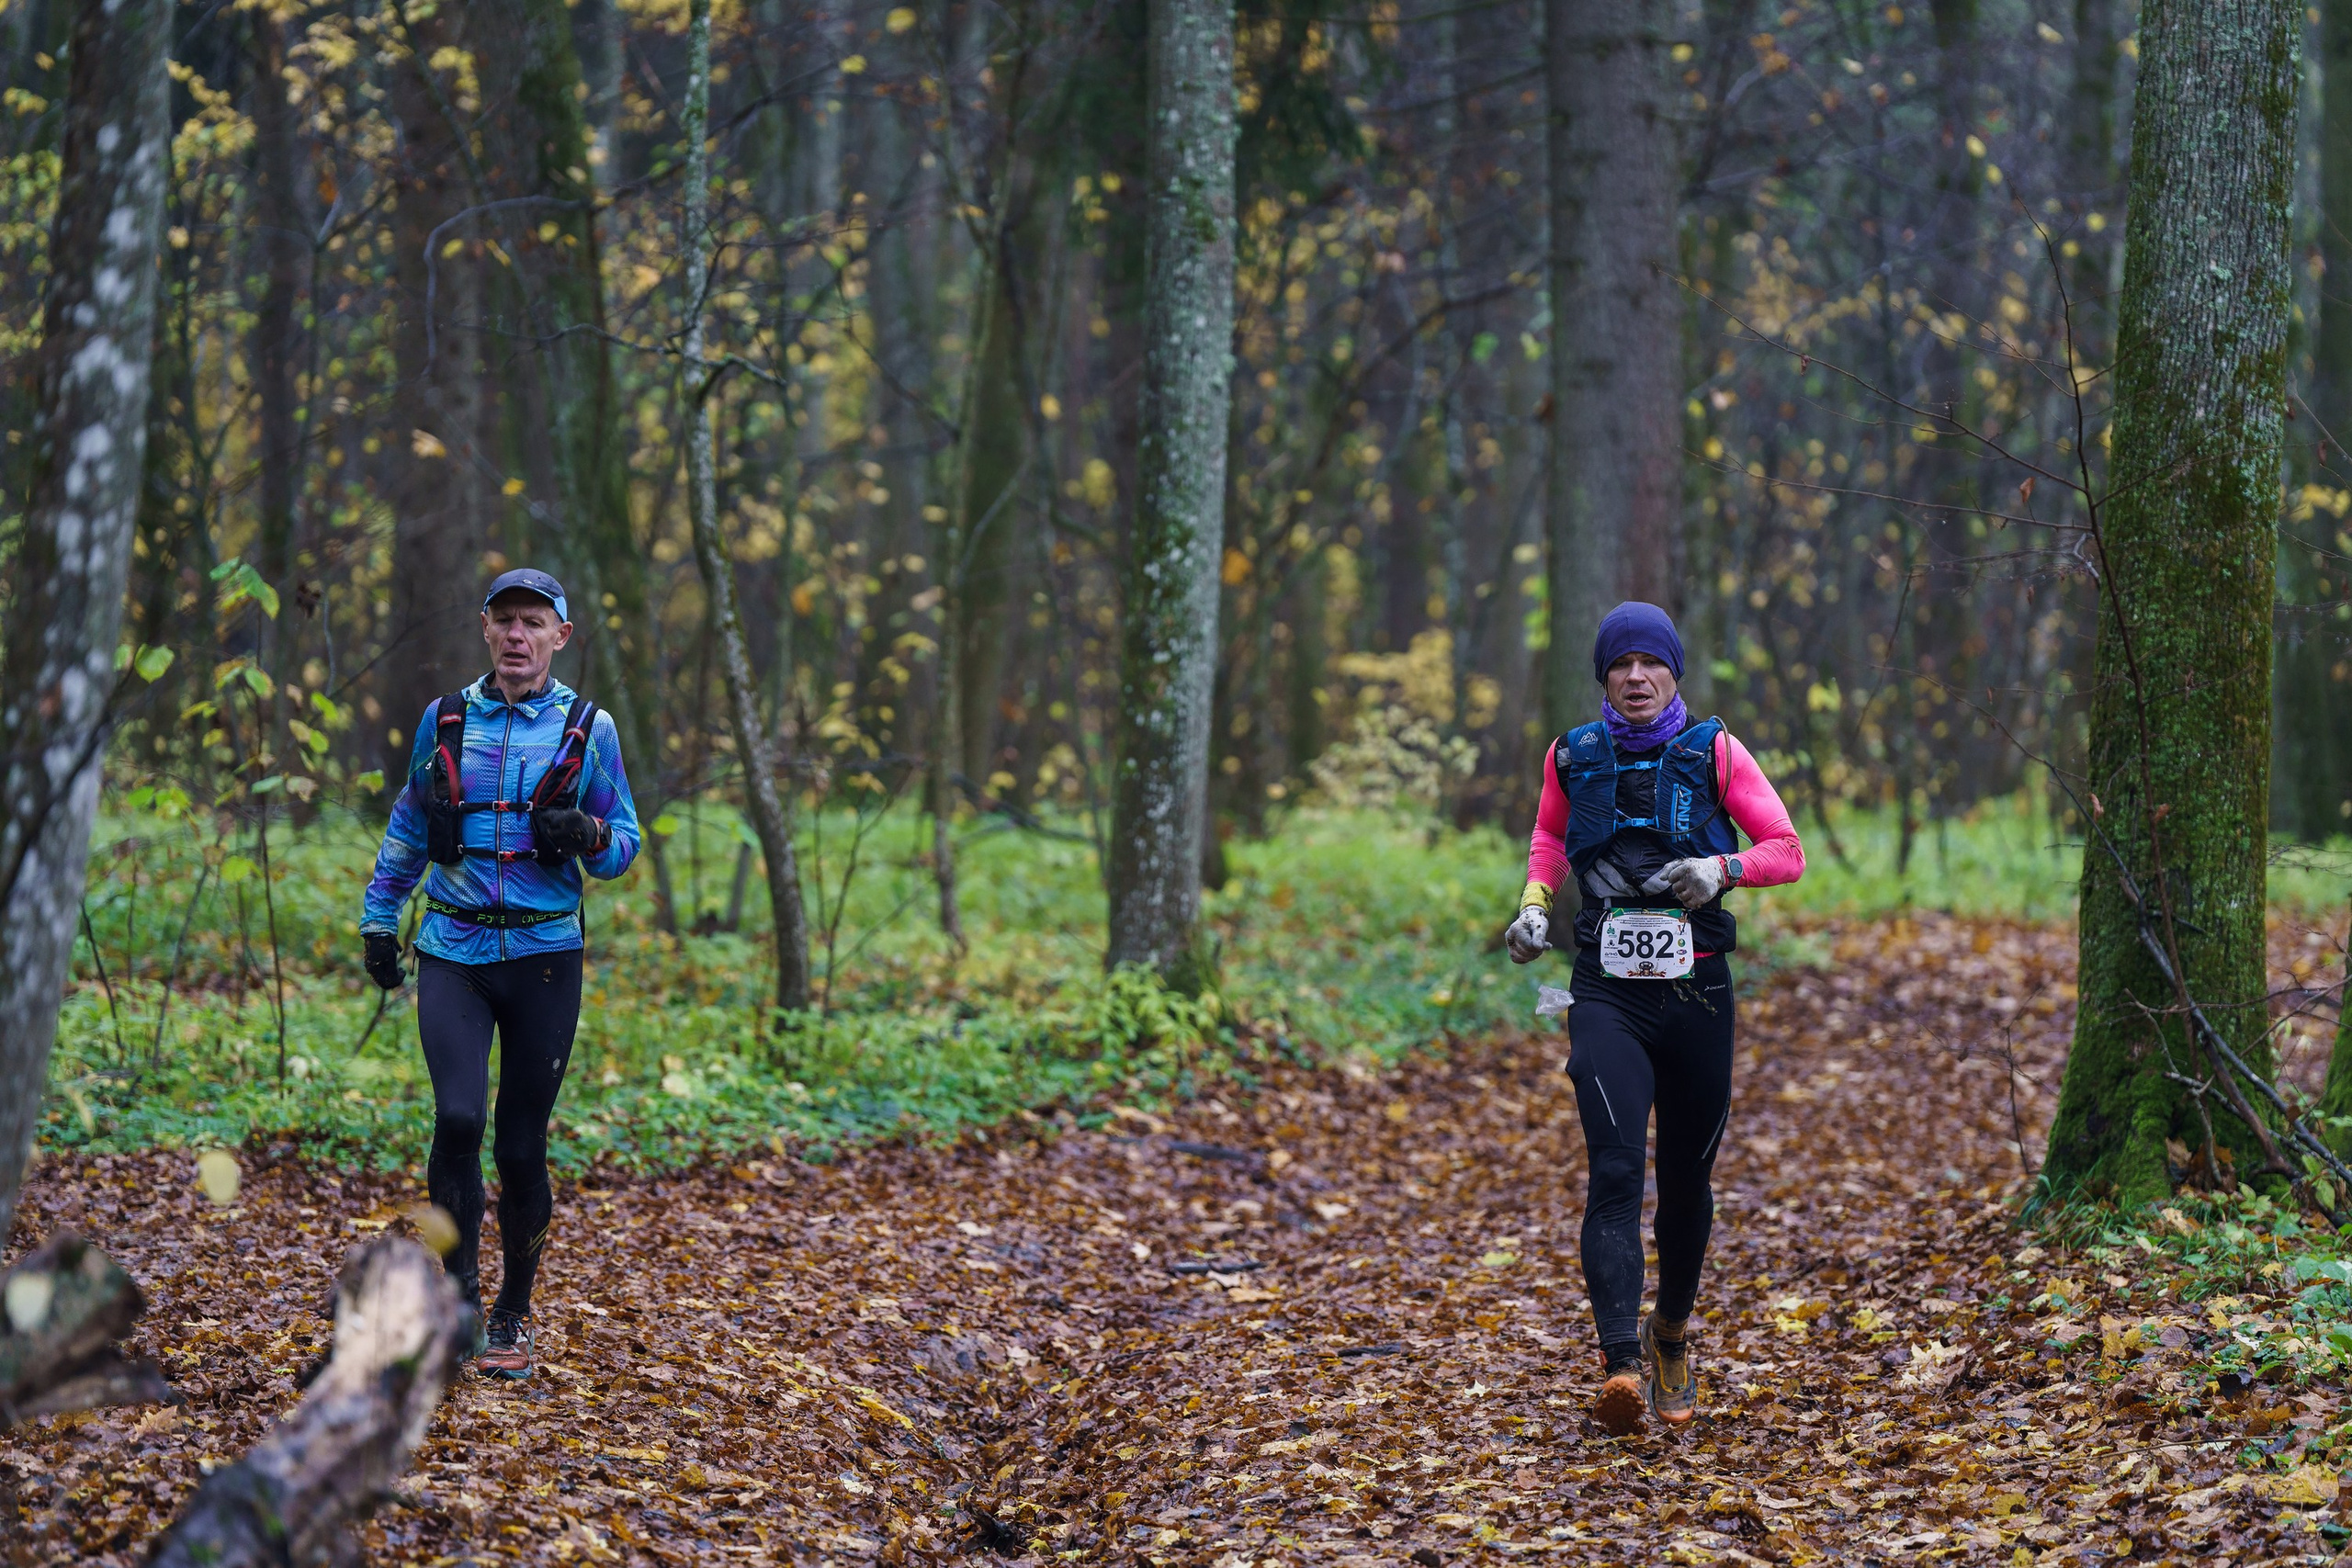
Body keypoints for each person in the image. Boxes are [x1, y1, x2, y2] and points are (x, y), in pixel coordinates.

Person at [1506, 601, 1804, 1434]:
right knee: (1612, 1172)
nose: (1636, 677)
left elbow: (1788, 847)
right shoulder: (1572, 755)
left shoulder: (1716, 751)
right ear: (1603, 675)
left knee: (1684, 1182)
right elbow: (1549, 839)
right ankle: (1622, 1368)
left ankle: (1669, 1333)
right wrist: (1535, 907)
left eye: (1651, 664)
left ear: (1674, 671)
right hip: (1605, 990)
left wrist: (1724, 868)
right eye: (1620, 665)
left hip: (1699, 992)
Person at [359, 569, 640, 1380]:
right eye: (505, 620)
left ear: (562, 635)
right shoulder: (446, 720)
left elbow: (625, 843)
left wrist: (587, 831)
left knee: (519, 1146)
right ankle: (462, 1304)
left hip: (546, 957)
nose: (519, 636)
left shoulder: (591, 728)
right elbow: (411, 821)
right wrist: (382, 919)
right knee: (456, 1119)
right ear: (485, 627)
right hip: (454, 949)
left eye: (535, 623)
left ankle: (514, 1314)